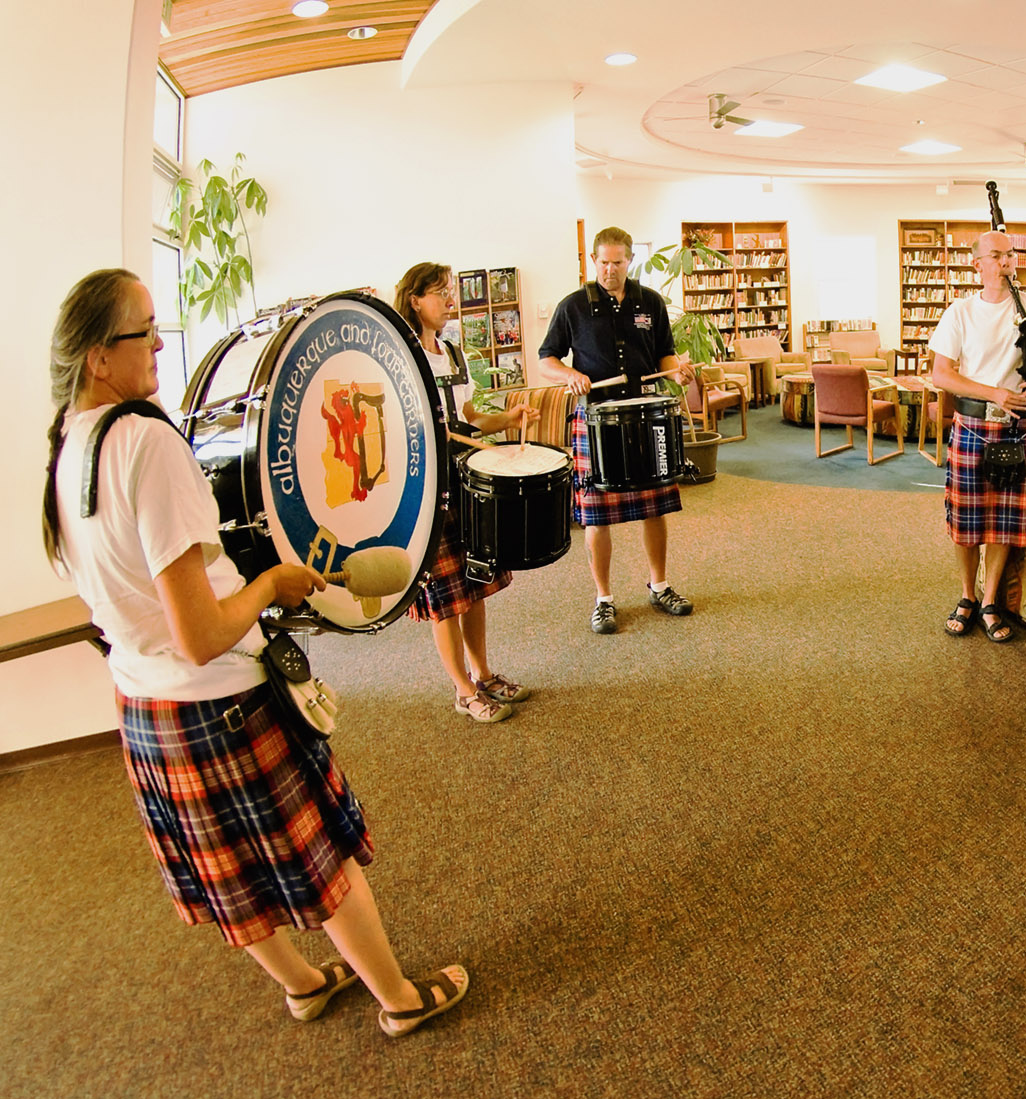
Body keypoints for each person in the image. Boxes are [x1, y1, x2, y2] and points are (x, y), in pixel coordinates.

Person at [41, 269, 469, 1036]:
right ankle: (400, 999)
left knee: (229, 875)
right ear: (100, 357)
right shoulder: (144, 442)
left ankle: (304, 983)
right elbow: (203, 631)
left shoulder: (65, 452)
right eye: (146, 332)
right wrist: (271, 580)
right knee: (320, 857)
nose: (161, 349)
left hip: (145, 705)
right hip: (222, 699)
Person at [534, 226, 695, 635]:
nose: (609, 269)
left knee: (655, 507)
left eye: (617, 262)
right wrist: (569, 373)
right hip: (596, 418)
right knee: (596, 516)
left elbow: (664, 354)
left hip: (646, 414)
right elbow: (545, 359)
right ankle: (603, 598)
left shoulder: (650, 302)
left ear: (629, 261)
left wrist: (677, 371)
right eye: (602, 262)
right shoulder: (573, 306)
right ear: (593, 261)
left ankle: (659, 585)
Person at [395, 263, 537, 723]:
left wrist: (509, 420)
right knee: (444, 598)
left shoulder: (453, 353)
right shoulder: (402, 355)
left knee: (474, 584)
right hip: (428, 488)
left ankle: (483, 673)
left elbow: (472, 416)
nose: (450, 301)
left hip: (466, 481)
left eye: (449, 292)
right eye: (440, 293)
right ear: (416, 300)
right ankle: (462, 689)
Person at [928, 230, 1026, 643]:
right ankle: (966, 596)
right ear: (977, 264)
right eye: (997, 255)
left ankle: (991, 599)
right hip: (974, 425)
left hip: (1021, 429)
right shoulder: (959, 312)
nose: (1007, 262)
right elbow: (940, 374)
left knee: (1002, 521)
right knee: (967, 520)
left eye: (1011, 255)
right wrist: (992, 391)